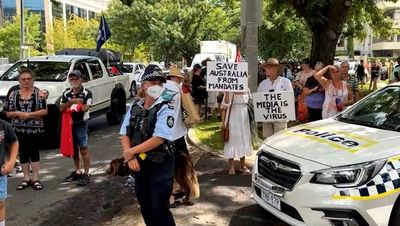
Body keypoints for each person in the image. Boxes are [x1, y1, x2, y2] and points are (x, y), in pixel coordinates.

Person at [120, 65, 176, 226]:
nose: (156, 86)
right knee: (145, 207)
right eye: (153, 82)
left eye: (160, 82)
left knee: (160, 209)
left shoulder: (166, 107)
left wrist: (130, 152)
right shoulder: (135, 107)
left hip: (160, 165)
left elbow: (159, 138)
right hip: (140, 165)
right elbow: (125, 133)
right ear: (144, 85)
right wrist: (130, 156)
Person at [6, 68, 47, 190]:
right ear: (19, 80)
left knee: (34, 151)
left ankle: (35, 178)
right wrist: (18, 113)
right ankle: (26, 178)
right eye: (23, 79)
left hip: (34, 128)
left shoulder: (39, 93)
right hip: (18, 128)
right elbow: (8, 113)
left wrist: (29, 115)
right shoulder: (13, 94)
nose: (26, 81)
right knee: (23, 152)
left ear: (33, 80)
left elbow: (44, 111)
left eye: (29, 78)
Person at [164, 66, 199, 207]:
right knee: (183, 165)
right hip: (177, 134)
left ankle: (172, 193)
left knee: (167, 165)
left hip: (164, 134)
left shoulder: (162, 89)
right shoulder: (180, 90)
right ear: (177, 78)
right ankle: (183, 191)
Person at [60, 70, 93, 186]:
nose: (74, 81)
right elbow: (61, 108)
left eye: (76, 79)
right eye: (72, 79)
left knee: (83, 149)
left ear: (81, 79)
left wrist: (75, 106)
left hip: (81, 123)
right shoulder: (66, 93)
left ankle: (87, 173)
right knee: (73, 149)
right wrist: (72, 102)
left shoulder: (86, 93)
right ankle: (78, 171)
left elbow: (86, 107)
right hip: (69, 124)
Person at [257, 58, 293, 138]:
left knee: (279, 140)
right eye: (266, 68)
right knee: (267, 139)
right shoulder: (263, 84)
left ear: (275, 69)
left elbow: (290, 98)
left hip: (281, 117)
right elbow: (259, 99)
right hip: (266, 117)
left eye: (269, 68)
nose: (266, 70)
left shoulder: (285, 82)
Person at [221, 91, 252, 175]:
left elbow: (250, 102)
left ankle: (242, 166)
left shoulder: (247, 89)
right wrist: (227, 92)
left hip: (244, 118)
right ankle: (231, 166)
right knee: (232, 139)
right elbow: (224, 105)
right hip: (233, 117)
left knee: (243, 139)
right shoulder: (230, 90)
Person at [0, 118, 18, 226]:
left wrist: (11, 162)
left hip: (0, 173)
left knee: (0, 203)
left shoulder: (3, 125)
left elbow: (14, 142)